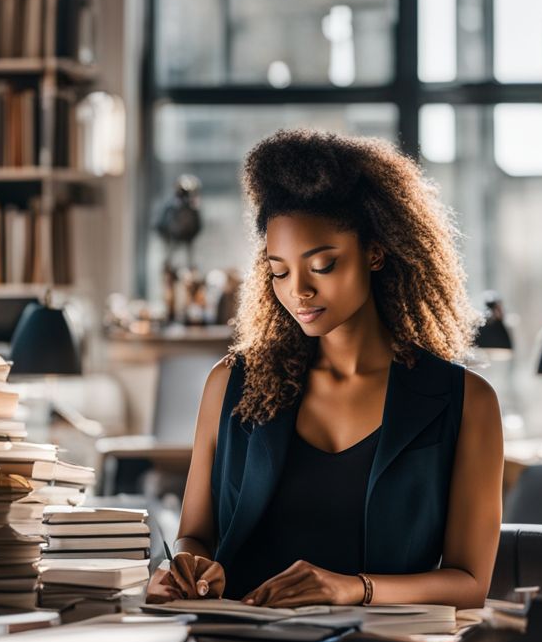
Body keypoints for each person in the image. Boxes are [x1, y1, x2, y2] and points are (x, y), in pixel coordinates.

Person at [146, 129, 503, 609]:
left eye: (323, 265)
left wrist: (352, 588)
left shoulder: (465, 401)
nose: (299, 291)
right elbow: (194, 536)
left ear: (375, 252)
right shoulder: (232, 384)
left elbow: (470, 582)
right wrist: (185, 567)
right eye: (279, 271)